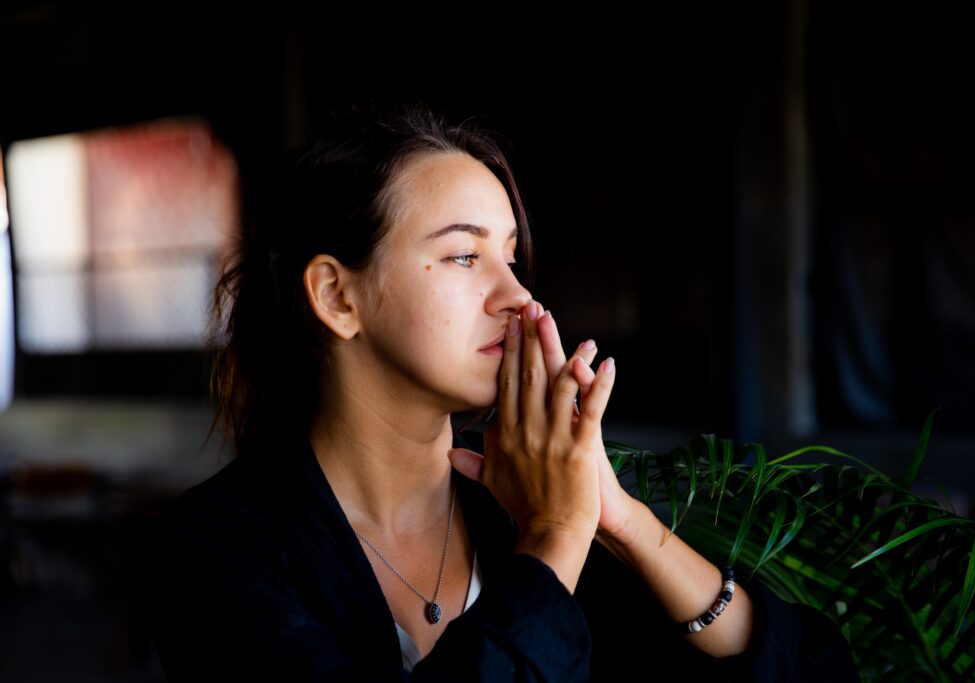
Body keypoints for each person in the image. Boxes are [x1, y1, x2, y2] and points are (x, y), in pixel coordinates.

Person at [138, 95, 860, 681]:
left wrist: (617, 517)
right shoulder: (218, 546)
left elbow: (816, 669)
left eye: (512, 256)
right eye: (463, 255)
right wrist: (550, 540)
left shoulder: (523, 499)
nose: (518, 295)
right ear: (337, 296)